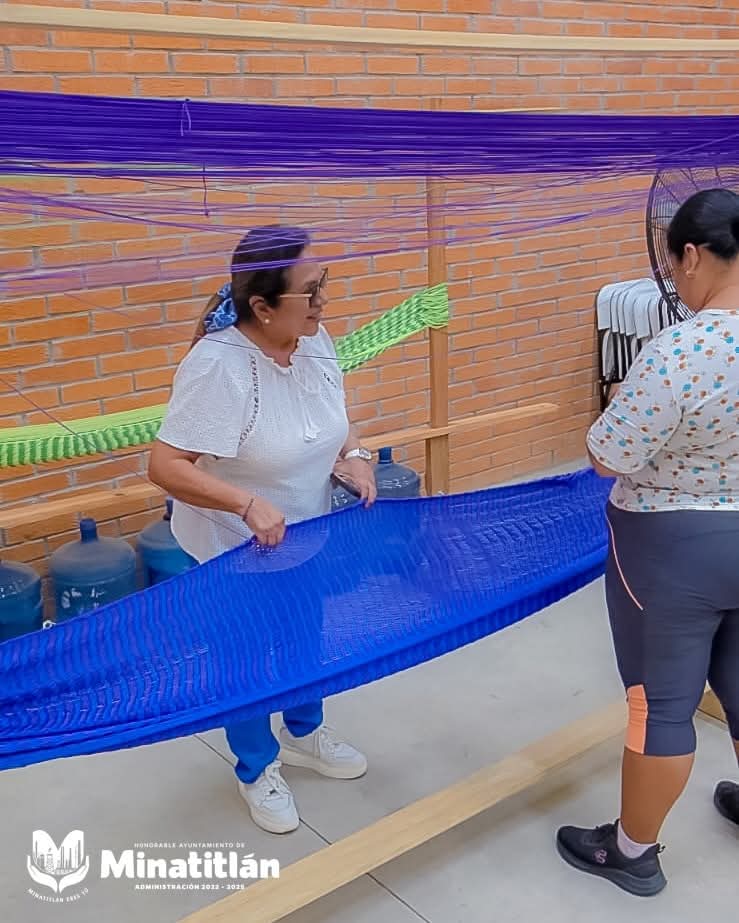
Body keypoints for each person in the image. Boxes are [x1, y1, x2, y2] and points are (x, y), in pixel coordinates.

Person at [148, 225, 377, 834]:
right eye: (310, 291)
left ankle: (304, 732)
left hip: (305, 530)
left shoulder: (314, 340)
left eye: (323, 283)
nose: (323, 301)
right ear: (263, 306)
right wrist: (246, 504)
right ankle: (256, 767)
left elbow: (334, 420)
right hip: (236, 544)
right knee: (246, 655)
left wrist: (355, 456)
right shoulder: (218, 368)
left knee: (304, 634)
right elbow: (165, 465)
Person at [556, 187, 739, 896]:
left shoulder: (680, 351)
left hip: (670, 548)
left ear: (691, 255)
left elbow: (608, 454)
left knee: (659, 703)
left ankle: (631, 850)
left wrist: (612, 412)